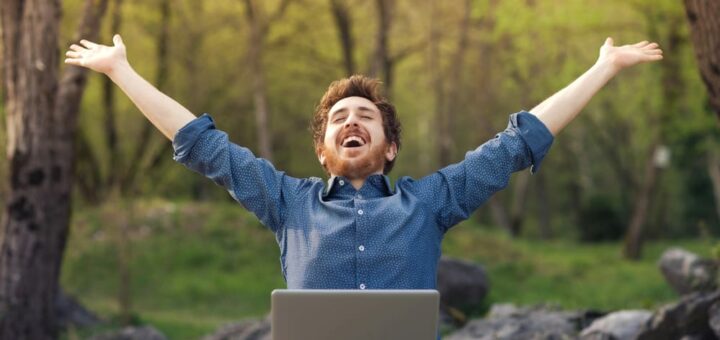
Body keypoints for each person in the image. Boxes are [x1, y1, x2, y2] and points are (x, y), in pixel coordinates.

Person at [65, 34, 662, 290]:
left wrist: (604, 68)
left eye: (366, 117)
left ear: (390, 147)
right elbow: (200, 141)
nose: (351, 121)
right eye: (338, 120)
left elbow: (519, 142)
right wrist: (121, 71)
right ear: (322, 149)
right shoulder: (286, 203)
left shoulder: (430, 202)